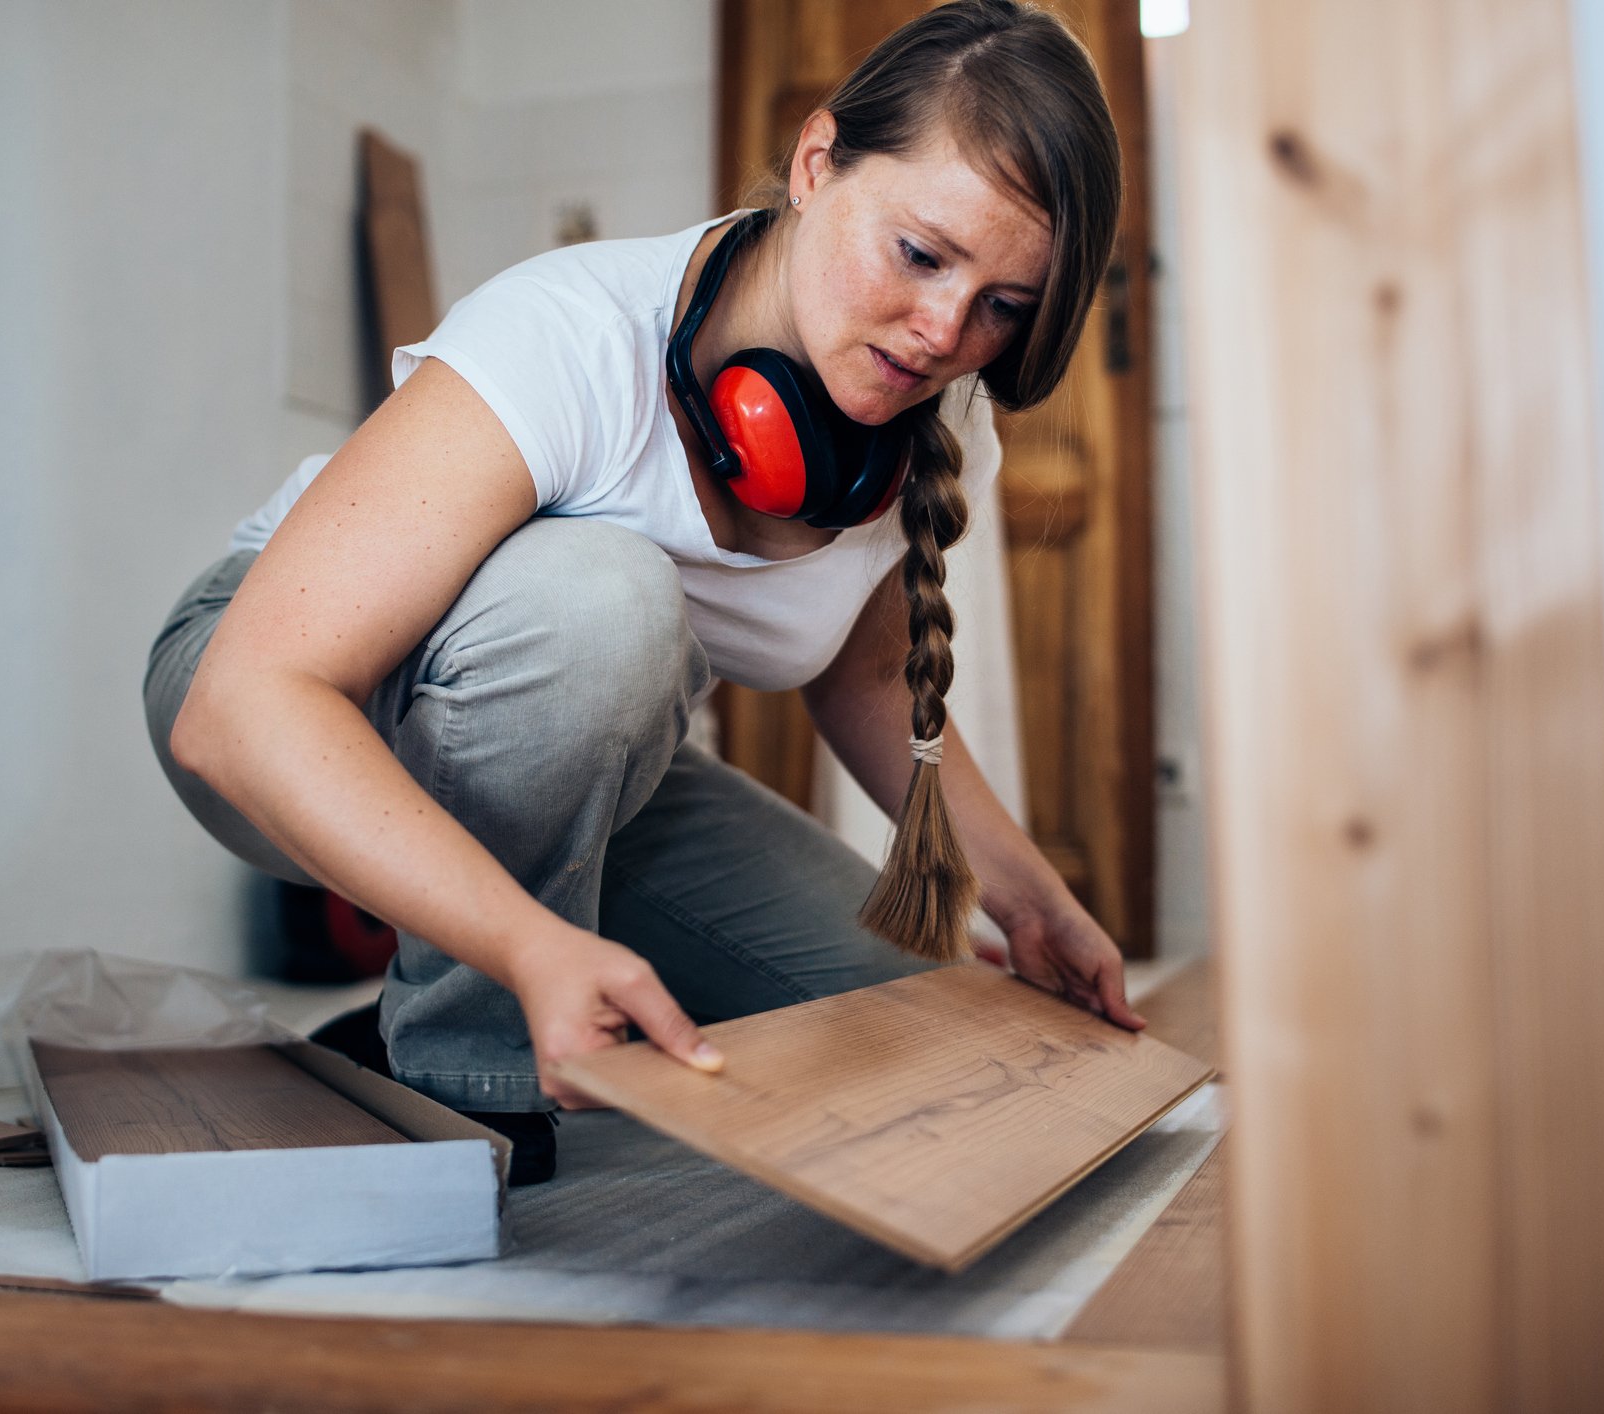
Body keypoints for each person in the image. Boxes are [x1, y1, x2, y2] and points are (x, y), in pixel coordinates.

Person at [147, 0, 1144, 1185]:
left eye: (1003, 305)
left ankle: (388, 1029)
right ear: (818, 164)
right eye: (920, 254)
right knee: (607, 598)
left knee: (914, 1022)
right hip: (277, 688)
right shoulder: (567, 337)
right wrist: (526, 944)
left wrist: (1030, 893)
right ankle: (462, 1069)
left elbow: (867, 670)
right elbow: (247, 703)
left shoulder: (915, 428)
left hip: (584, 765)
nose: (942, 330)